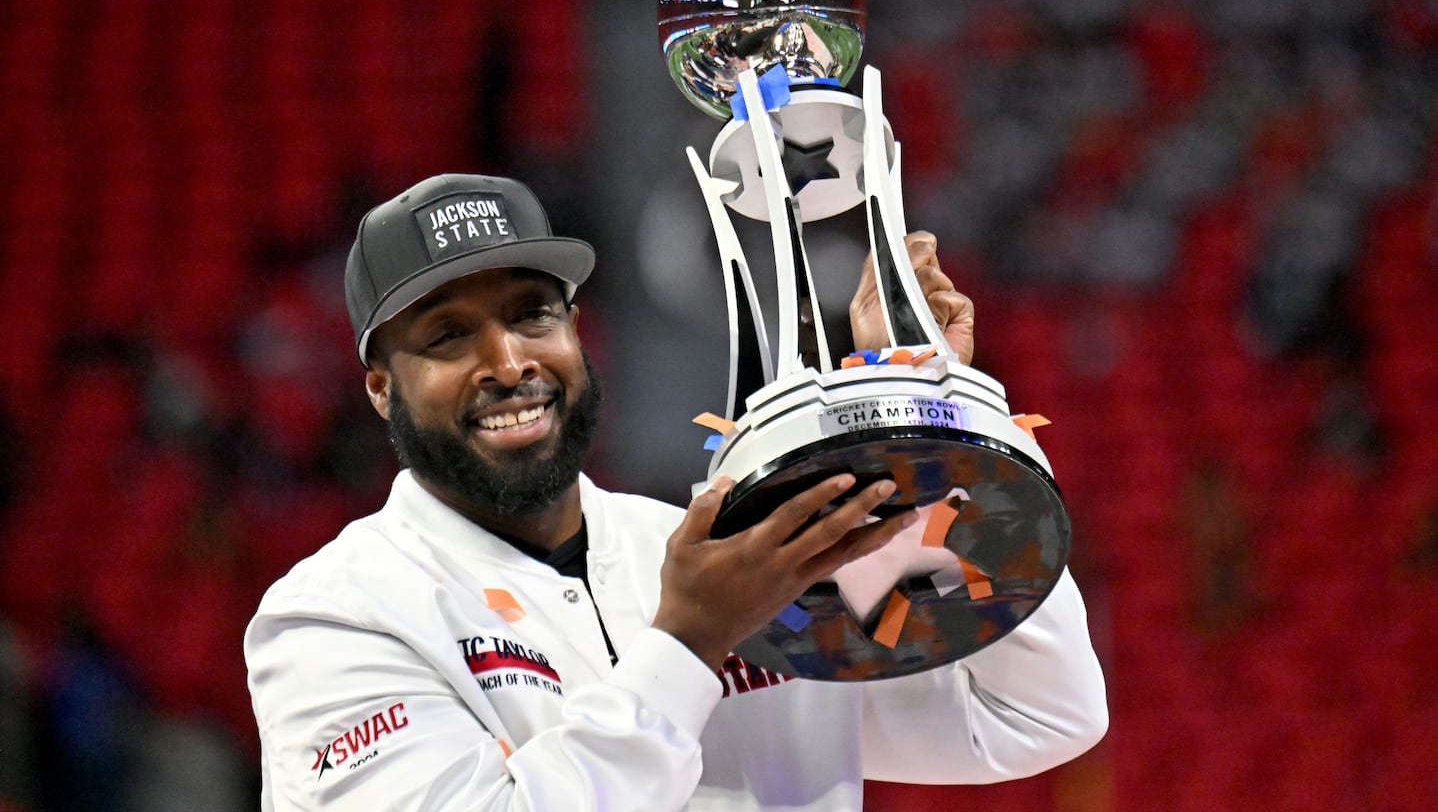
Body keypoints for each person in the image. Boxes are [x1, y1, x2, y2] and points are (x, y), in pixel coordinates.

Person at [245, 172, 1107, 811]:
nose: (508, 364)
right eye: (447, 336)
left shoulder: (730, 547)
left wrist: (933, 424)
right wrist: (690, 642)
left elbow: (1034, 716)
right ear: (381, 387)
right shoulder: (335, 617)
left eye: (532, 316)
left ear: (578, 332)